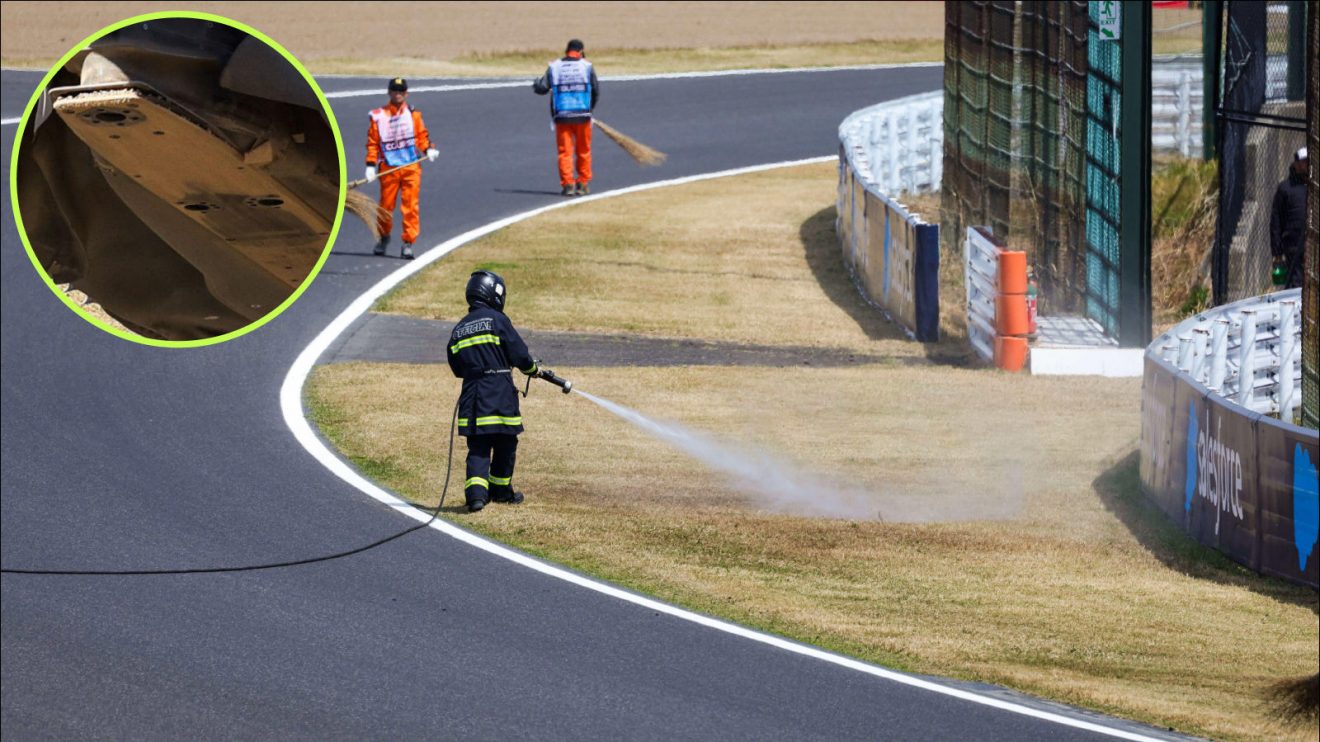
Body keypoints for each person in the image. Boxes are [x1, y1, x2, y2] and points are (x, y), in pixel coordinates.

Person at [447, 271, 539, 512]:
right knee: (505, 442)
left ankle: (476, 496)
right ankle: (500, 491)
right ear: (494, 294)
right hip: (499, 393)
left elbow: (456, 367)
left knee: (478, 446)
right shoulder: (497, 320)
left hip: (472, 395)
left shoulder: (459, 329)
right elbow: (519, 354)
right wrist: (531, 368)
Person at [364, 77, 438, 260]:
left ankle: (408, 243)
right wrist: (371, 165)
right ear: (389, 92)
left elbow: (421, 135)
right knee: (385, 207)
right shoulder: (379, 116)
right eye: (395, 91)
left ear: (406, 94)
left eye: (401, 91)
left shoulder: (413, 115)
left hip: (411, 167)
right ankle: (383, 237)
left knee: (410, 206)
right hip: (389, 168)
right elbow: (373, 143)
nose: (398, 94)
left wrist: (428, 148)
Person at [533, 39, 600, 197]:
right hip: (583, 116)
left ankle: (568, 185)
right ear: (581, 51)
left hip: (562, 116)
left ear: (567, 51)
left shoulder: (555, 67)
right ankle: (582, 184)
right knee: (584, 151)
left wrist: (535, 84)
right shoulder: (587, 66)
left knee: (565, 153)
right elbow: (596, 91)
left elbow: (542, 88)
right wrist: (590, 109)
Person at [1270, 147, 1308, 290]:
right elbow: (1276, 221)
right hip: (1293, 244)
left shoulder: (1313, 187)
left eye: (1308, 162)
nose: (1306, 165)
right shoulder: (1285, 188)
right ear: (1296, 164)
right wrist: (1277, 252)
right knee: (1296, 282)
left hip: (1312, 242)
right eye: (1303, 162)